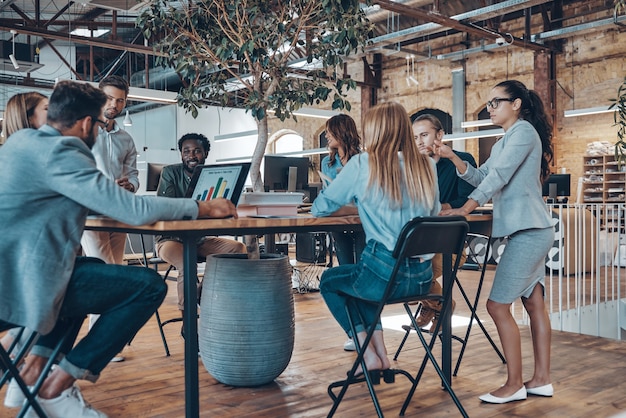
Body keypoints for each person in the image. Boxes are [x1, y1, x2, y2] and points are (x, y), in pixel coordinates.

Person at [0, 80, 238, 418]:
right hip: (23, 286)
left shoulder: (20, 142)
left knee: (88, 279)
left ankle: (32, 377)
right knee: (146, 285)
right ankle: (56, 388)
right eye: (99, 122)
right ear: (86, 123)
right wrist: (205, 208)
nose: (100, 129)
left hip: (15, 276)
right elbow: (134, 211)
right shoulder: (63, 152)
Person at [435, 80, 555, 404]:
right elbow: (482, 175)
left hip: (529, 231)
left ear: (516, 104)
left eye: (496, 102)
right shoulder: (504, 141)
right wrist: (451, 158)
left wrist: (464, 209)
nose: (490, 108)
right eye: (488, 103)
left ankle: (514, 384)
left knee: (496, 305)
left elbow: (497, 179)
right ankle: (541, 379)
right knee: (533, 304)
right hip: (529, 230)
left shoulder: (524, 133)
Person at [312, 102, 441, 375]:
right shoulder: (427, 166)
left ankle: (367, 354)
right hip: (421, 278)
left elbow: (320, 207)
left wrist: (357, 196)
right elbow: (434, 213)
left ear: (374, 131)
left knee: (331, 282)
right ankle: (381, 357)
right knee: (362, 287)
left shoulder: (362, 164)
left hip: (383, 275)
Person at [156, 133, 246, 324]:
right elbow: (169, 207)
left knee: (238, 249)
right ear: (181, 155)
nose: (191, 155)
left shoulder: (211, 176)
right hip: (170, 240)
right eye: (186, 151)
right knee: (187, 264)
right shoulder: (170, 173)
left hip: (198, 239)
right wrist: (207, 211)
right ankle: (189, 325)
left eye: (197, 151)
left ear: (205, 153)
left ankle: (201, 291)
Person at [79, 75, 139, 361]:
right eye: (109, 98)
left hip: (119, 213)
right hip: (90, 215)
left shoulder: (126, 138)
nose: (114, 104)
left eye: (120, 100)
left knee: (116, 271)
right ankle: (99, 342)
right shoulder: (83, 130)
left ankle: (106, 338)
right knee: (106, 274)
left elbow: (134, 173)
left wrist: (131, 185)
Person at [411, 113, 477, 332]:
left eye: (424, 135)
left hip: (450, 244)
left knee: (412, 274)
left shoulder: (460, 160)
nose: (419, 141)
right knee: (399, 268)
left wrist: (440, 207)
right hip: (420, 241)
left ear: (439, 135)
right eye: (415, 137)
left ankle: (434, 304)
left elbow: (468, 199)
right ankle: (438, 304)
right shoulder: (413, 167)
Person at [0, 91, 49, 369]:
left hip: (18, 256)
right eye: (47, 109)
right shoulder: (31, 157)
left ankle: (19, 358)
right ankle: (17, 356)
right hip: (17, 263)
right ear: (29, 118)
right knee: (61, 285)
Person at [321, 114, 367, 352]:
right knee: (345, 273)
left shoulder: (363, 160)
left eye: (330, 131)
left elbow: (367, 196)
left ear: (341, 132)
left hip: (361, 224)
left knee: (361, 275)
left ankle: (367, 329)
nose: (327, 136)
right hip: (339, 224)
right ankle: (354, 329)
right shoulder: (326, 163)